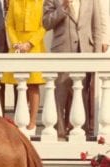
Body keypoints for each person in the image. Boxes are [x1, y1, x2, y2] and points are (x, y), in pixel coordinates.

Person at [43, 0, 104, 138]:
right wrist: (62, 8)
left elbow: (97, 27)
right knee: (59, 94)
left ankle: (82, 133)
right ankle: (59, 133)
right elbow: (46, 23)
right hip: (62, 51)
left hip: (85, 52)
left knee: (82, 94)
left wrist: (97, 56)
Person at [1, 0, 47, 135]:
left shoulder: (41, 2)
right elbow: (9, 25)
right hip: (17, 47)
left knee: (33, 85)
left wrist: (30, 43)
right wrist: (16, 44)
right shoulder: (14, 2)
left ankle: (32, 123)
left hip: (35, 46)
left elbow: (43, 27)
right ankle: (18, 121)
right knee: (16, 84)